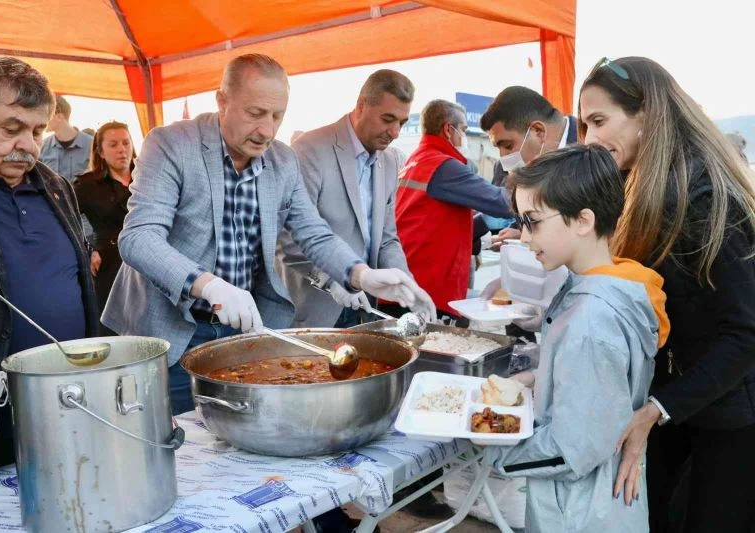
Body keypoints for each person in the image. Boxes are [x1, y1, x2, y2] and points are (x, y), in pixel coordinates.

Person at [102, 54, 435, 416]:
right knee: (173, 444)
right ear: (222, 101)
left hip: (244, 331)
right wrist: (209, 285)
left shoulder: (283, 161)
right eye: (255, 113)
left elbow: (314, 234)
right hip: (169, 329)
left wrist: (361, 275)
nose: (267, 131)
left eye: (277, 116)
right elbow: (138, 237)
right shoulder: (171, 144)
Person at [579, 56, 755, 532]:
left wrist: (659, 408)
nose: (590, 138)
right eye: (583, 124)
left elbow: (744, 333)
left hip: (727, 417)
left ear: (648, 117)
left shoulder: (707, 198)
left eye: (599, 121)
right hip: (678, 405)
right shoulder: (643, 186)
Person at [485, 144, 669, 533]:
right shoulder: (607, 284)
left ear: (583, 220)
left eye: (533, 221)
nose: (524, 236)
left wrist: (490, 450)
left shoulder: (591, 322)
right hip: (599, 503)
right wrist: (535, 378)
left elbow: (572, 451)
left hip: (580, 513)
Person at [0, 57, 99, 494]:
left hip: (61, 407)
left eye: (37, 131)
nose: (29, 146)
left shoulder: (55, 183)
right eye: (11, 128)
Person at [277, 69, 416, 328]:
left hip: (364, 306)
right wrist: (332, 281)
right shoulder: (311, 149)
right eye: (388, 119)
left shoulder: (388, 160)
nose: (395, 131)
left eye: (402, 122)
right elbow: (290, 238)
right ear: (362, 106)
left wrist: (405, 281)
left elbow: (386, 238)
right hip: (314, 305)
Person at [390, 99, 512, 323]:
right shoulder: (444, 166)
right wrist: (525, 176)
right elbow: (502, 202)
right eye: (463, 130)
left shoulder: (417, 160)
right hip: (429, 287)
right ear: (448, 129)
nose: (464, 137)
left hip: (406, 281)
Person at [479, 85, 579, 246]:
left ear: (538, 131)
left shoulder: (596, 147)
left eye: (508, 145)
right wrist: (523, 231)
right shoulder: (508, 168)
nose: (503, 157)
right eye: (498, 148)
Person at [73, 121, 135, 331]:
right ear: (100, 150)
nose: (122, 149)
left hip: (148, 263)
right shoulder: (87, 185)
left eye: (126, 143)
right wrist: (85, 248)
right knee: (115, 330)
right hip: (110, 267)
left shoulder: (148, 177)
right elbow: (64, 218)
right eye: (113, 144)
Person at [39, 95, 93, 182]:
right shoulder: (42, 146)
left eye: (46, 115)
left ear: (59, 117)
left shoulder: (91, 145)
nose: (42, 119)